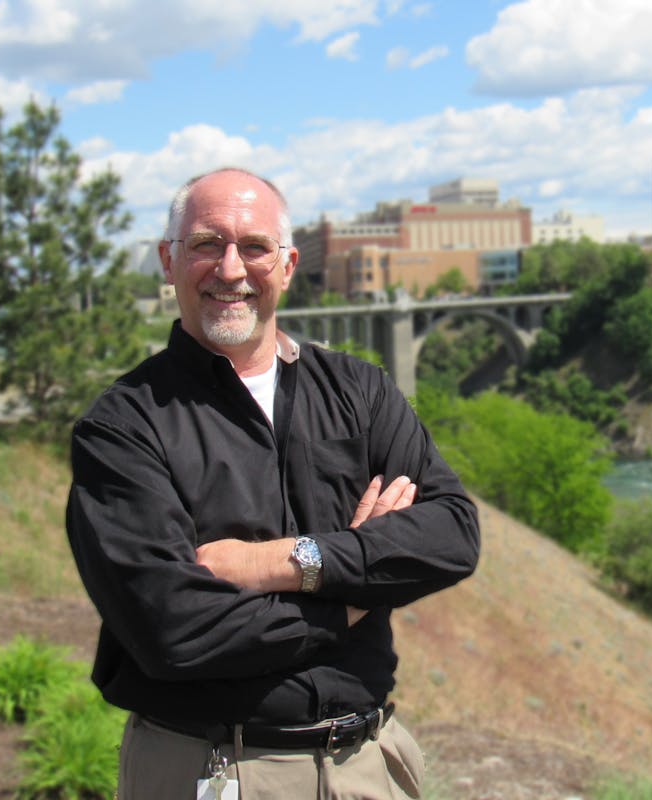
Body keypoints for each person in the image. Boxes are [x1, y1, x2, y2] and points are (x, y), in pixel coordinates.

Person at [65, 167, 481, 799]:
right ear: (168, 262)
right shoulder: (123, 427)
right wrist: (357, 590)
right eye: (207, 244)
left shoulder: (359, 393)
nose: (231, 269)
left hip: (365, 764)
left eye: (254, 247)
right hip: (209, 768)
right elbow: (174, 632)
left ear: (286, 266)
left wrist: (284, 562)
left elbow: (451, 535)